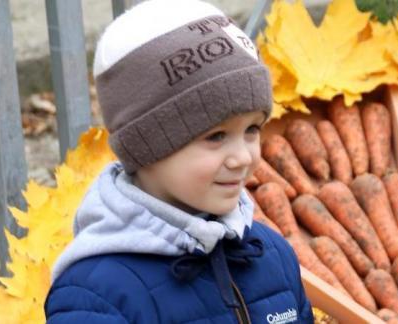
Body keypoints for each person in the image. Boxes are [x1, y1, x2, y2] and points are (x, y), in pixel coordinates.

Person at [44, 0, 313, 323]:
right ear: (146, 147)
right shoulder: (97, 296)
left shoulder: (273, 257)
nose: (243, 157)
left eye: (252, 129)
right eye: (216, 136)